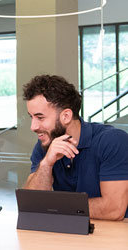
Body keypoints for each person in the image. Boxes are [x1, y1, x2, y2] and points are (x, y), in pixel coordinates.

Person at [23, 74, 128, 220]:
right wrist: (47, 163)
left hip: (114, 237)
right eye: (31, 117)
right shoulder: (45, 145)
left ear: (66, 116)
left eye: (40, 118)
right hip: (70, 234)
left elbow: (113, 210)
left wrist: (53, 206)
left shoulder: (112, 141)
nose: (33, 127)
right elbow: (30, 205)